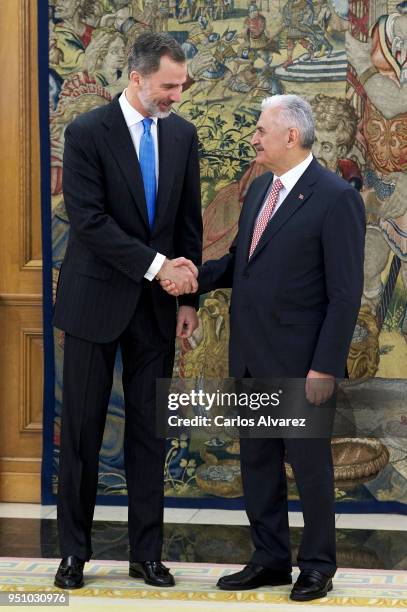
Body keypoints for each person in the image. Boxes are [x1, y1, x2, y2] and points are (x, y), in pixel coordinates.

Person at [161, 94, 365, 601]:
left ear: (290, 137)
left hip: (301, 363)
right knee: (257, 463)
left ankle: (317, 565)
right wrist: (192, 281)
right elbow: (238, 263)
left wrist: (324, 367)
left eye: (260, 129)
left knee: (310, 468)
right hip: (250, 354)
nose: (253, 137)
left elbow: (345, 294)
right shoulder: (258, 191)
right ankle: (270, 558)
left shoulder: (335, 197)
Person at [53, 32, 202, 590]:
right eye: (168, 86)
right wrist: (158, 266)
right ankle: (74, 554)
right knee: (84, 434)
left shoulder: (183, 136)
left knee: (149, 435)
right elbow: (88, 222)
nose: (176, 97)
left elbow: (189, 222)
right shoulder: (87, 132)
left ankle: (147, 555)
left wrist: (187, 297)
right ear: (136, 78)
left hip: (157, 312)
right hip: (94, 303)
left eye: (181, 87)